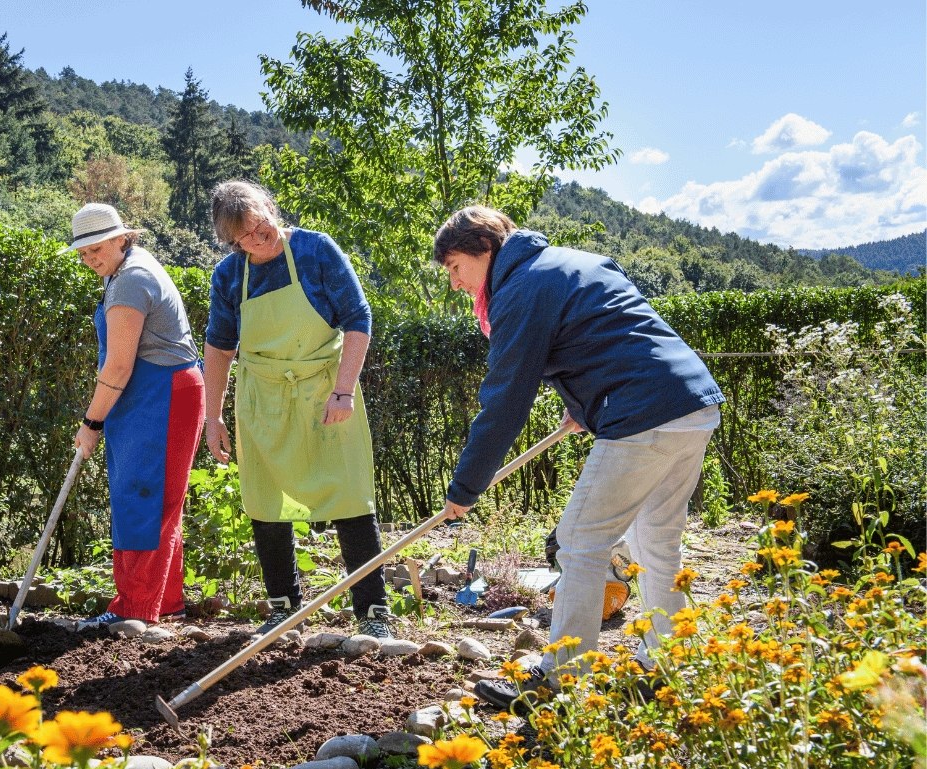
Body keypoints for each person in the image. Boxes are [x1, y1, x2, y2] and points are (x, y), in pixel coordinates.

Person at [434, 206, 724, 714]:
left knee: (580, 543)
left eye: (455, 266)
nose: (456, 282)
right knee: (656, 545)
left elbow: (505, 400)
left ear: (483, 249)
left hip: (644, 414)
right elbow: (604, 338)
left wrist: (465, 488)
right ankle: (669, 665)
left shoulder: (520, 289)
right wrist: (581, 408)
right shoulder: (572, 261)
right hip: (692, 405)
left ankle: (558, 680)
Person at [203, 180, 393, 638]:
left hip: (326, 390)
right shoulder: (229, 276)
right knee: (265, 502)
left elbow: (358, 318)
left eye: (260, 226)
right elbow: (219, 347)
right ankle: (284, 608)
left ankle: (372, 614)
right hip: (262, 398)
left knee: (350, 497)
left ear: (270, 208)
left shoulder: (315, 249)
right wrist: (213, 417)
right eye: (243, 237)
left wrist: (344, 390)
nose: (256, 240)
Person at [62, 203, 205, 631]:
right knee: (151, 496)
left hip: (162, 394)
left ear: (123, 237)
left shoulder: (131, 281)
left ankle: (135, 608)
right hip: (148, 396)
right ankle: (167, 601)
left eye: (96, 247)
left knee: (145, 497)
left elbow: (119, 367)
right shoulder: (122, 272)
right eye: (83, 252)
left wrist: (90, 423)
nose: (89, 258)